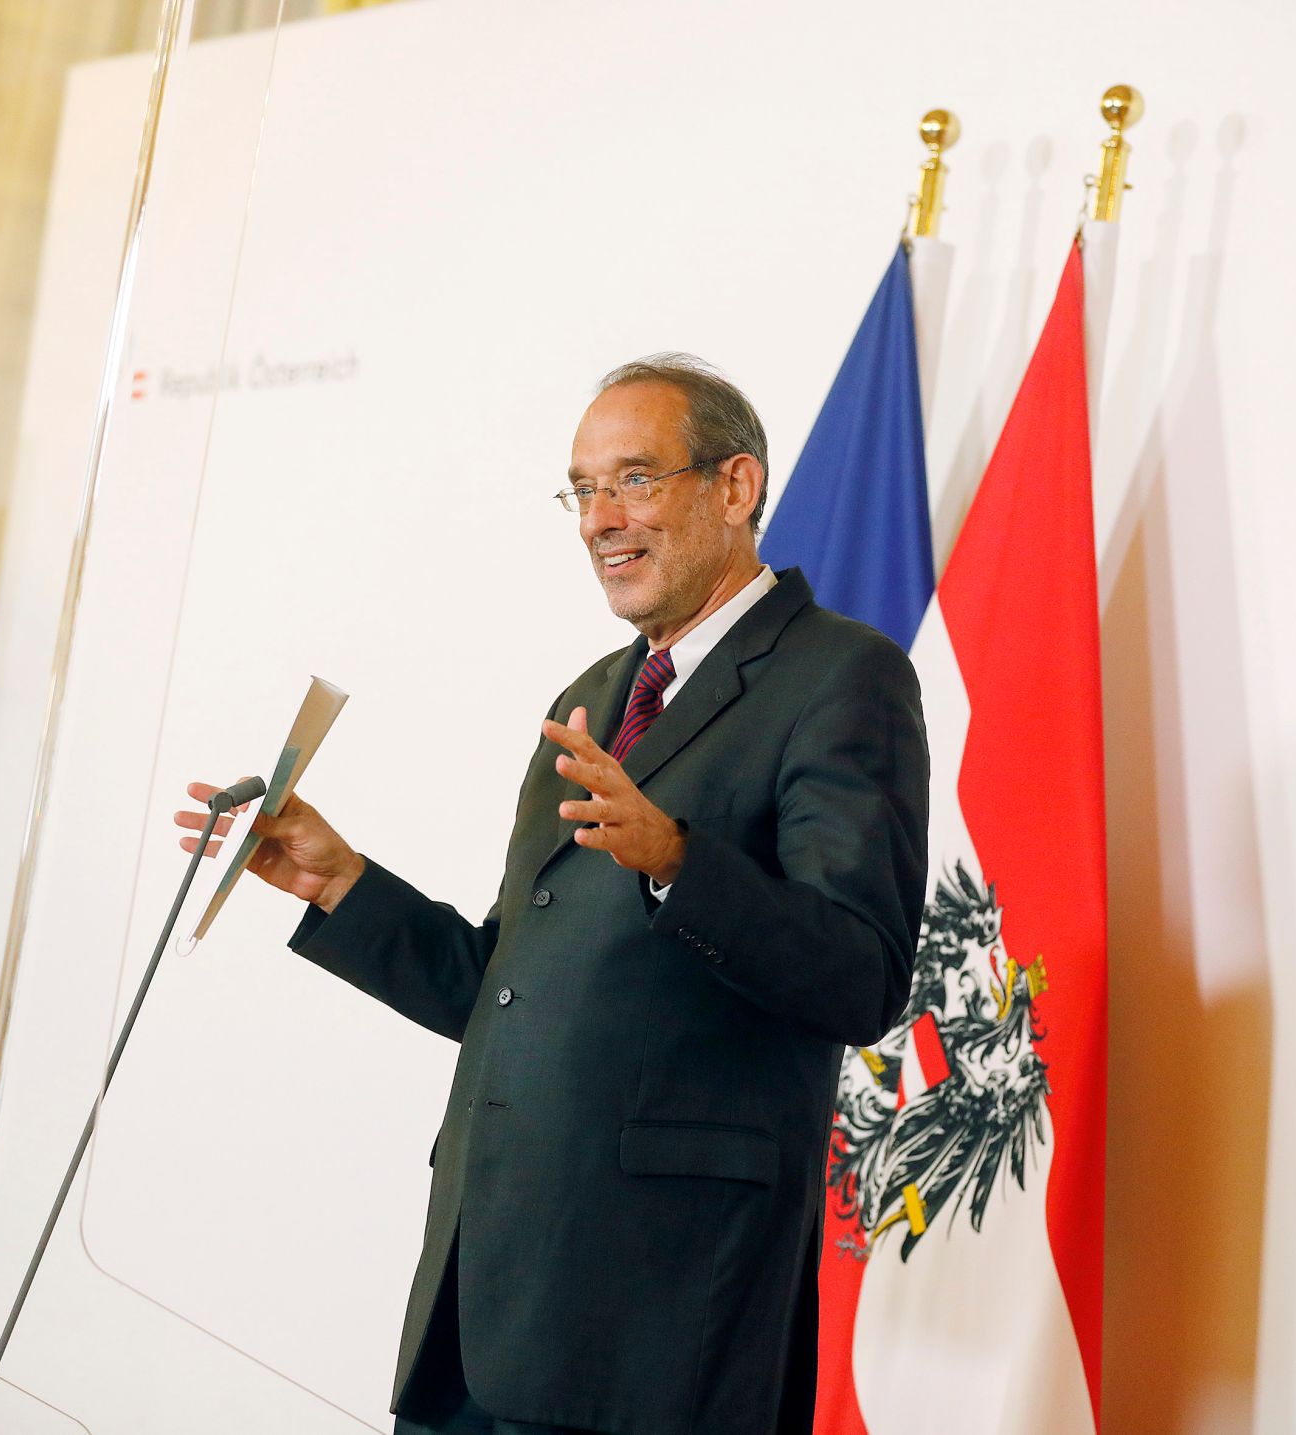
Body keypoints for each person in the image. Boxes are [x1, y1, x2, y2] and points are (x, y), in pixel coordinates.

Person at [175, 354, 929, 1435]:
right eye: (580, 488)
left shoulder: (838, 677)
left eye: (631, 478)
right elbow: (510, 989)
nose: (597, 518)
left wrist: (675, 856)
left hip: (658, 1319)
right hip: (483, 1301)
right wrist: (340, 883)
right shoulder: (591, 697)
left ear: (734, 486)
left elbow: (857, 975)